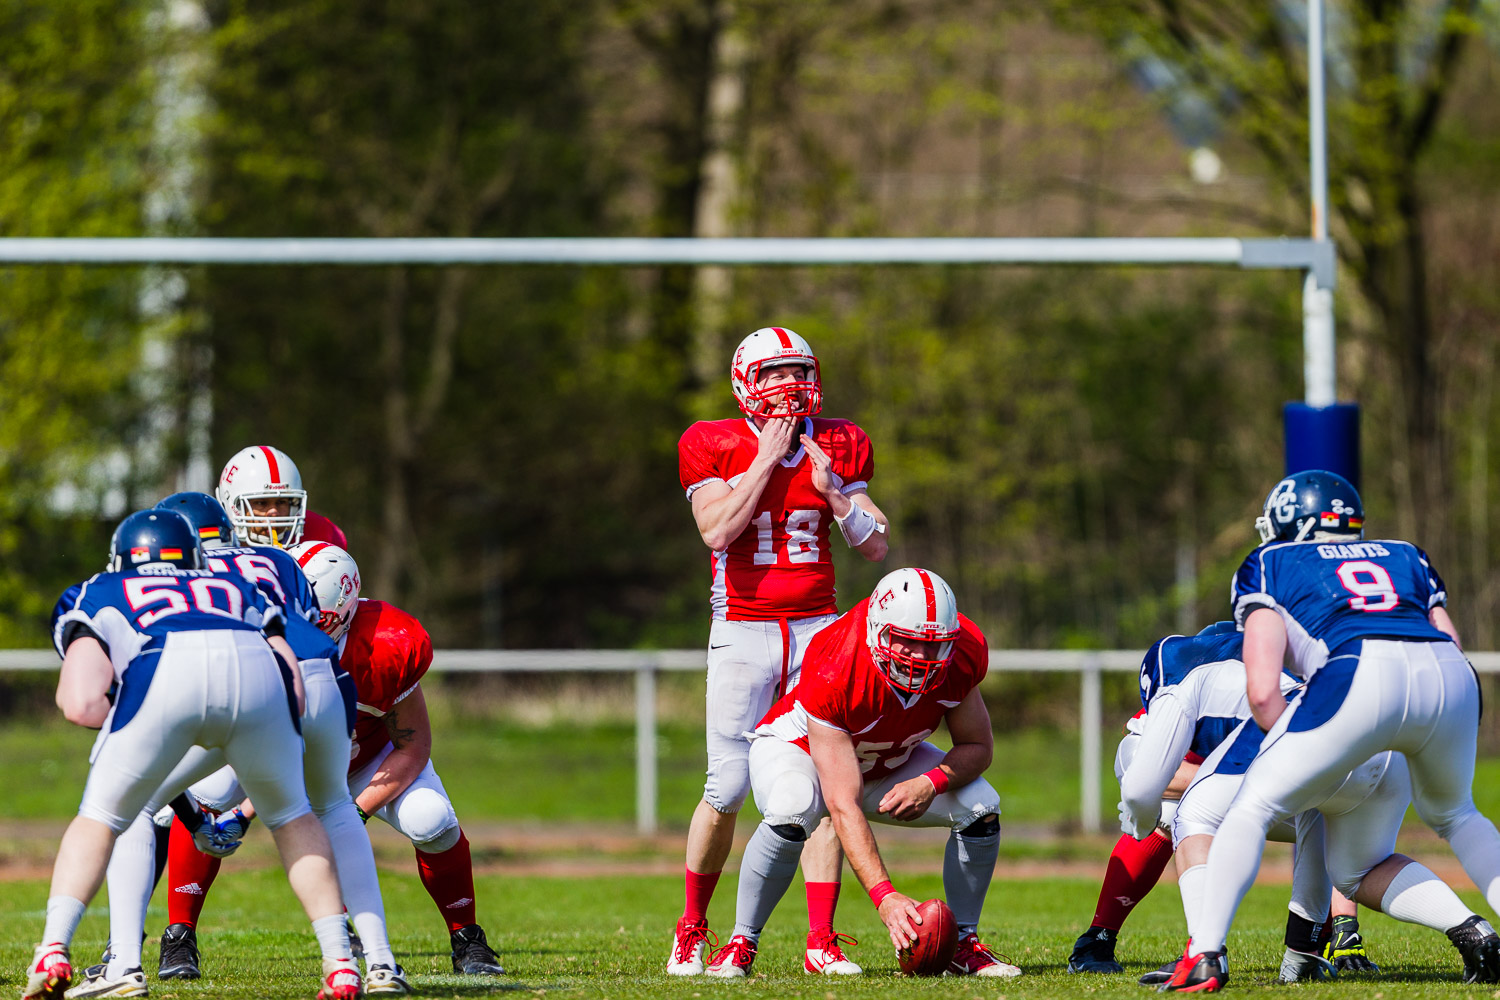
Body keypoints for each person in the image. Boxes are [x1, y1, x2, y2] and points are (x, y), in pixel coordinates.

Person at [1163, 470, 1500, 991]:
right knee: (1454, 817)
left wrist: (1289, 751)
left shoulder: (1270, 562)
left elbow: (1261, 689)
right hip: (1450, 675)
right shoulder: (1406, 552)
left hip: (1358, 671)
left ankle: (1204, 955)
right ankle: (1480, 936)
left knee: (1251, 806)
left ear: (1286, 521)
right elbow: (1448, 639)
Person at [66, 494, 406, 997]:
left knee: (138, 806)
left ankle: (122, 960)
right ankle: (377, 962)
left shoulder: (188, 577)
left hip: (243, 684)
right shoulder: (281, 561)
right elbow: (300, 626)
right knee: (331, 804)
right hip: (320, 676)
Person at [671, 327, 889, 976]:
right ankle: (692, 926)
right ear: (745, 381)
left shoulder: (840, 440)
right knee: (728, 784)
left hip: (818, 628)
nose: (789, 385)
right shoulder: (711, 441)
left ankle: (820, 941)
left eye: (799, 371)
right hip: (743, 626)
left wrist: (835, 497)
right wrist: (765, 460)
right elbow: (716, 531)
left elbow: (875, 543)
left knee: (825, 782)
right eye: (774, 373)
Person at [704, 567, 1019, 978]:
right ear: (877, 629)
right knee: (792, 807)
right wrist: (885, 897)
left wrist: (931, 781)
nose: (921, 659)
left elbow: (978, 747)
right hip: (799, 753)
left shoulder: (961, 655)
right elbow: (841, 804)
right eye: (908, 643)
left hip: (887, 760)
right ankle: (741, 941)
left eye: (932, 646)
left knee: (982, 806)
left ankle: (962, 943)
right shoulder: (838, 662)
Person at [1114, 623, 1385, 985]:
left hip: (1302, 755)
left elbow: (1139, 781)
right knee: (1444, 820)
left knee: (1191, 814)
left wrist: (1147, 813)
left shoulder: (1183, 670)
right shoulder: (1268, 666)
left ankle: (1204, 952)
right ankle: (1471, 932)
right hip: (1377, 748)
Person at [290, 541, 507, 977]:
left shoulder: (385, 644)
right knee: (208, 793)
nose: (299, 625)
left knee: (431, 818)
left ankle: (467, 937)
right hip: (296, 761)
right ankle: (173, 939)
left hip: (371, 760)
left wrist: (353, 811)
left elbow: (413, 745)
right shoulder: (263, 632)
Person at [216, 445, 347, 549]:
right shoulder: (209, 546)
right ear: (231, 506)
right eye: (261, 503)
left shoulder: (319, 538)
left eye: (282, 501)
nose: (274, 513)